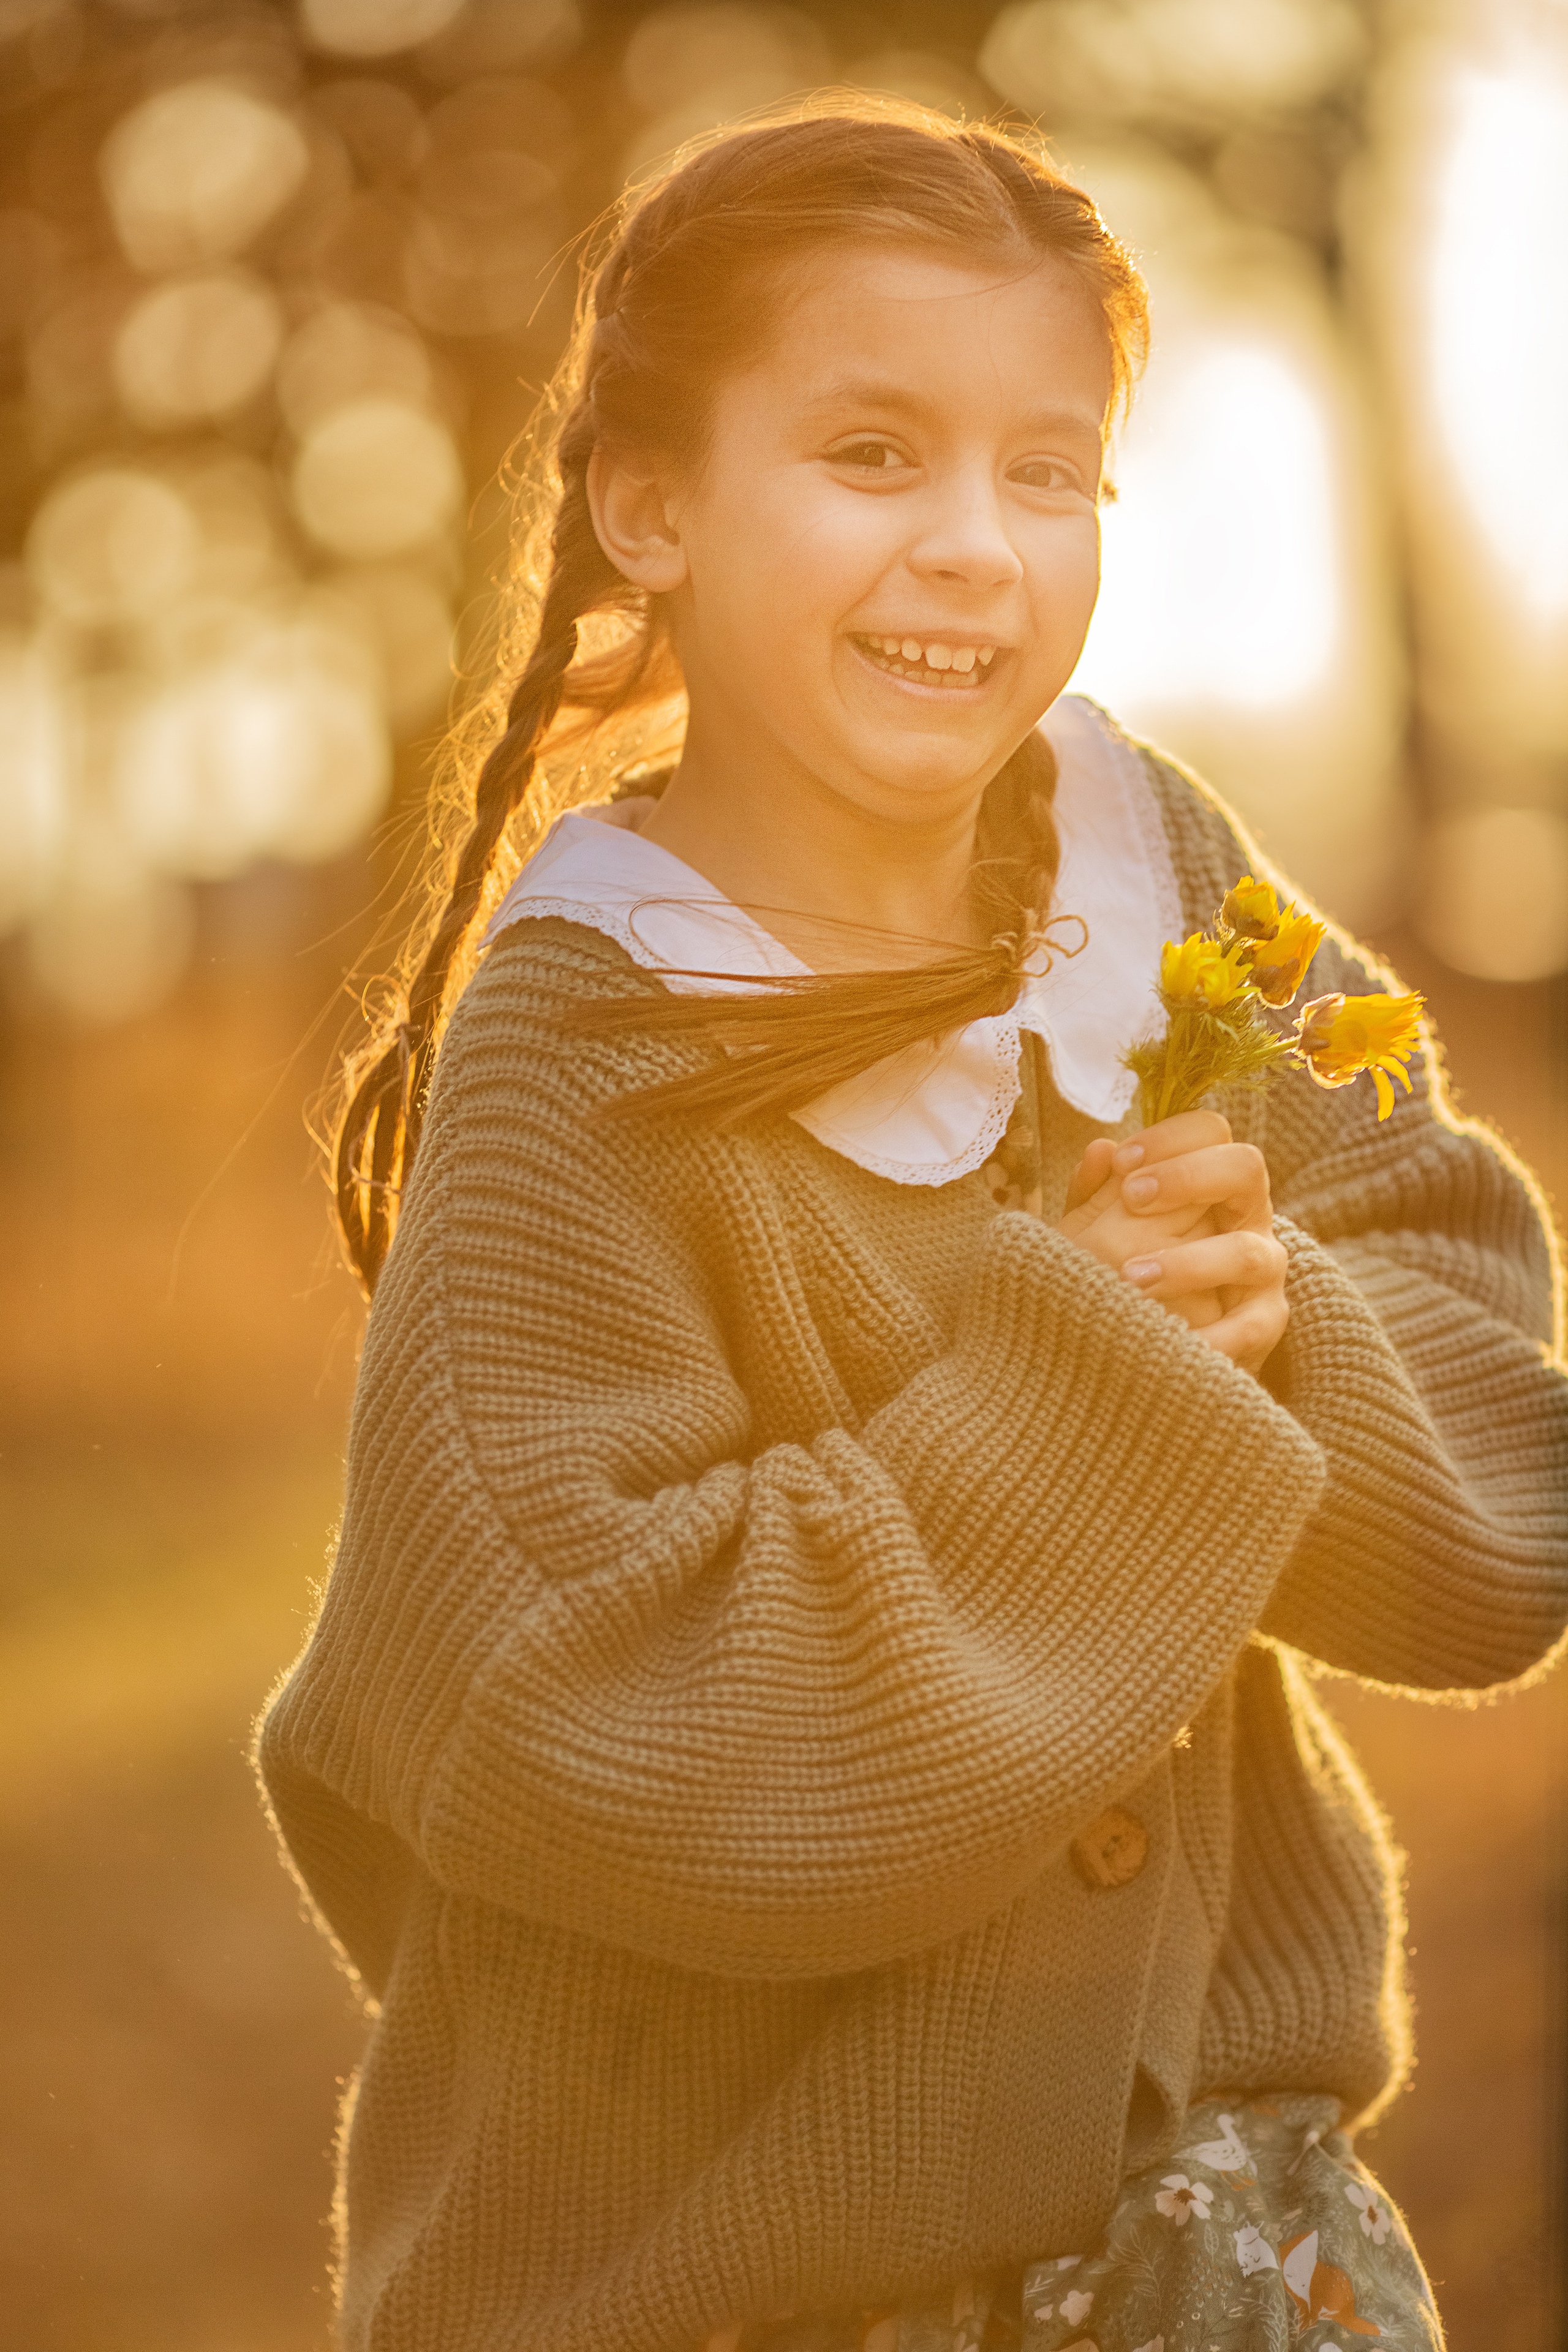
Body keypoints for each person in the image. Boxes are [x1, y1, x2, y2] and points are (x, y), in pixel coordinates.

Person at [257, 102, 1568, 2352]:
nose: (980, 545)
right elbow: (582, 1724)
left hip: (1241, 2240)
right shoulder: (588, 1057)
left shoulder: (1156, 890)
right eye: (874, 454)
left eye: (1049, 471)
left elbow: (1509, 1522)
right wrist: (1100, 1388)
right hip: (757, 2289)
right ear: (645, 503)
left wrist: (1291, 1331)